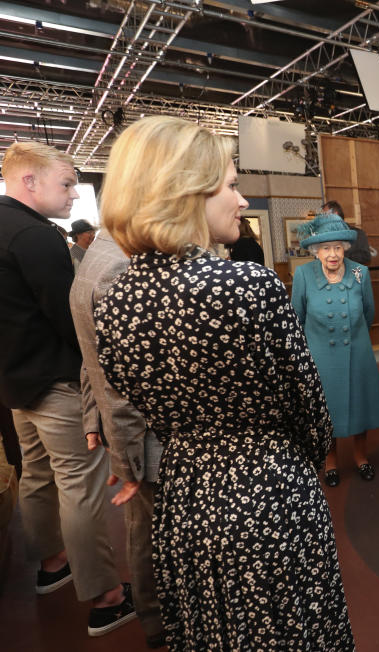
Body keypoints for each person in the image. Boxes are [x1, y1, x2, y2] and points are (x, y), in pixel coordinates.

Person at [94, 116, 354, 651]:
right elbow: (310, 411)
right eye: (232, 185)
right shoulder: (246, 285)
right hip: (267, 495)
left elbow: (130, 396)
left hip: (185, 498)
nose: (241, 201)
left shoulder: (114, 300)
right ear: (185, 192)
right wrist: (292, 458)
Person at [0, 141, 136, 636]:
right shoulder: (34, 237)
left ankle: (53, 564)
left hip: (16, 382)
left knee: (37, 476)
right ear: (28, 181)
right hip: (56, 382)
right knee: (80, 486)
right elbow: (71, 317)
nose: (76, 194)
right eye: (65, 183)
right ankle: (107, 596)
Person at [69, 226, 165, 648]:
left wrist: (94, 421)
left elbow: (92, 357)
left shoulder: (99, 255)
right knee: (150, 535)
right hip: (146, 438)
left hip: (128, 435)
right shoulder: (120, 266)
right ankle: (161, 622)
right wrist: (126, 461)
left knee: (143, 530)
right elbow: (116, 380)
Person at [292, 213, 379, 487]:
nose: (332, 254)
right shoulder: (303, 274)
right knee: (328, 410)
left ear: (345, 248)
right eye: (325, 248)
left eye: (337, 247)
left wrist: (357, 336)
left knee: (361, 405)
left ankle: (361, 457)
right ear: (316, 251)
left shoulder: (361, 272)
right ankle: (331, 461)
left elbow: (369, 313)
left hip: (357, 351)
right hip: (321, 354)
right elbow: (296, 318)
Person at [322, 200, 373, 265]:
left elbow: (366, 257)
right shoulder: (325, 236)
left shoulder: (357, 234)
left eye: (325, 215)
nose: (323, 219)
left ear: (335, 214)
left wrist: (342, 255)